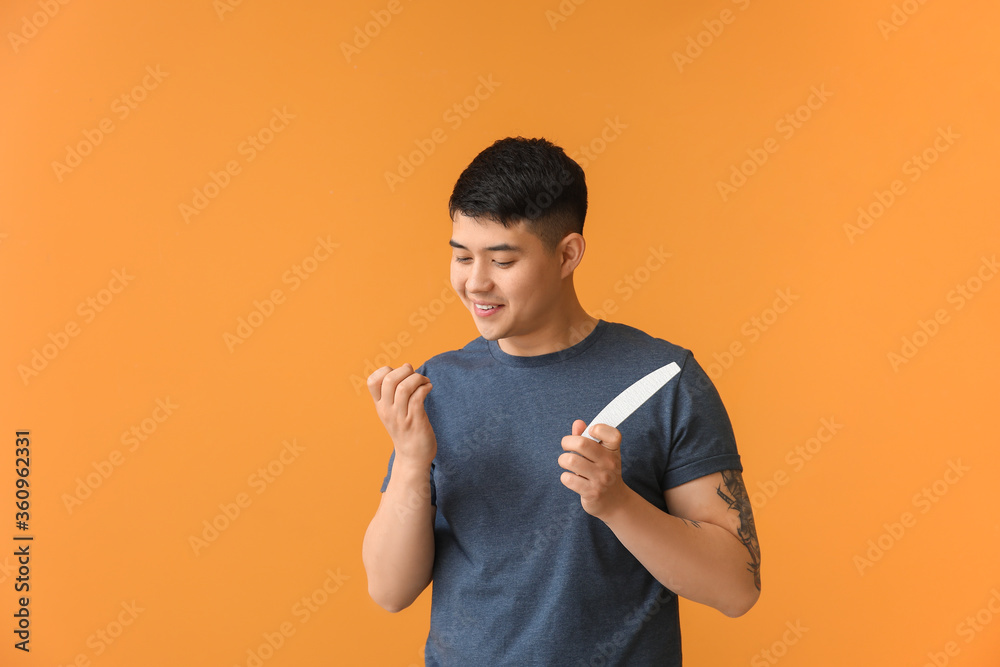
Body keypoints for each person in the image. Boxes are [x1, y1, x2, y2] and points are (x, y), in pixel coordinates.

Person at [362, 136, 760, 666]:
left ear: (568, 253)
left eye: (502, 260)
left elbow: (736, 587)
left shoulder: (666, 380)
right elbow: (389, 591)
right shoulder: (440, 386)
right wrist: (412, 460)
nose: (474, 283)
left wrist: (617, 504)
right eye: (461, 256)